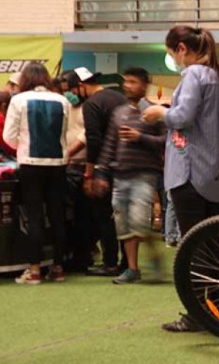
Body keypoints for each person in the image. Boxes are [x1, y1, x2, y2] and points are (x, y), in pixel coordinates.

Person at [142, 25, 219, 333]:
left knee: (193, 246)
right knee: (210, 245)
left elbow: (182, 118)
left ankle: (197, 314)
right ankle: (212, 310)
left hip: (190, 171)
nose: (175, 60)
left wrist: (158, 112)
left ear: (182, 48)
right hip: (214, 171)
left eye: (172, 54)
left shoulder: (195, 75)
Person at [95, 67, 166, 284]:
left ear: (144, 85)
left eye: (133, 82)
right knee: (123, 225)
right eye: (126, 81)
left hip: (144, 175)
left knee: (139, 223)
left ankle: (155, 258)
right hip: (120, 176)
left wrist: (140, 137)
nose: (127, 85)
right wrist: (101, 173)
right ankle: (133, 269)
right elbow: (109, 144)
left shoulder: (155, 113)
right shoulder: (119, 113)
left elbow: (165, 142)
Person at [2, 63, 69, 284]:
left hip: (30, 164)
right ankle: (58, 268)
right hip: (58, 164)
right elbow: (64, 134)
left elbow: (9, 137)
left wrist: (23, 144)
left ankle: (34, 270)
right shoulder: (62, 100)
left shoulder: (18, 100)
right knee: (57, 214)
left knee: (34, 217)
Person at [63, 66, 128, 277]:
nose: (70, 95)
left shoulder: (92, 104)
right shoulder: (117, 97)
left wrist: (90, 172)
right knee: (123, 216)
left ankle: (109, 263)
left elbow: (93, 139)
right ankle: (127, 263)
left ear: (81, 86)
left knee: (104, 216)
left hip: (105, 166)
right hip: (126, 163)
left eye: (71, 90)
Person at [59, 74, 96, 272]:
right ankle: (74, 254)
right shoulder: (64, 105)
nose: (68, 94)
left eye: (70, 89)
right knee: (69, 215)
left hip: (82, 165)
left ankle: (84, 255)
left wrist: (66, 154)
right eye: (64, 90)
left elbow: (86, 137)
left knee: (83, 215)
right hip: (67, 165)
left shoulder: (88, 108)